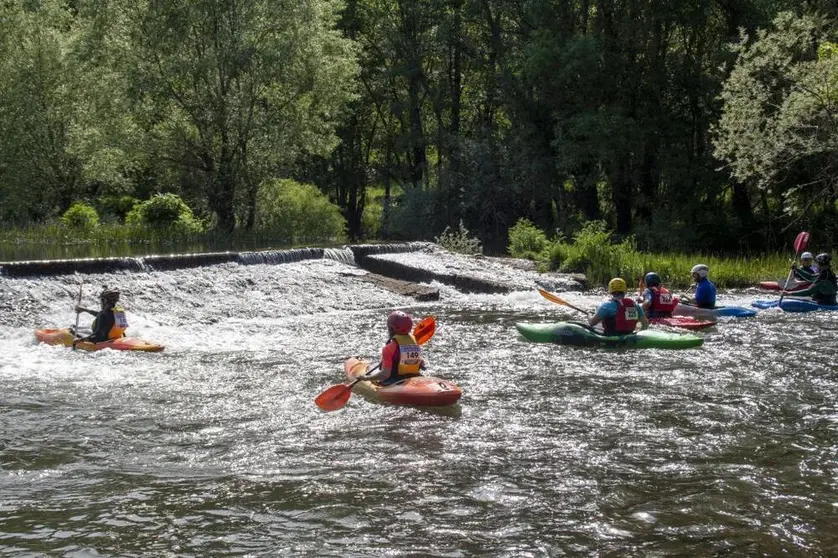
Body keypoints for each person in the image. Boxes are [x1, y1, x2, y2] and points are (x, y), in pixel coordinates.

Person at [362, 311, 427, 385]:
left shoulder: (388, 348)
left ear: (391, 328)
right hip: (414, 377)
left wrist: (366, 378)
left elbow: (385, 375)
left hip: (395, 381)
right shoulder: (415, 343)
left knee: (379, 370)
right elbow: (421, 362)